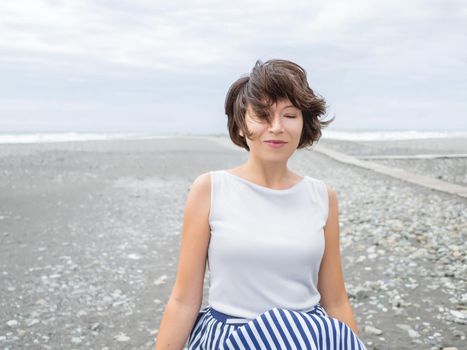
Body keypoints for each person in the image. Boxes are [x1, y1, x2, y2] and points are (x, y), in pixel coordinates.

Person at [155, 59, 368, 349]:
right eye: (263, 115)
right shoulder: (210, 189)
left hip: (310, 339)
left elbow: (336, 300)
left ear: (303, 123)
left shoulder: (322, 196)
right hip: (229, 338)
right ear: (241, 125)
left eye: (289, 115)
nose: (277, 127)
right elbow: (183, 300)